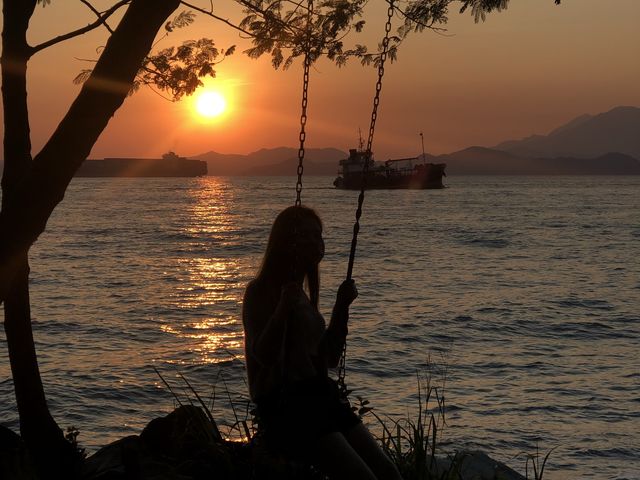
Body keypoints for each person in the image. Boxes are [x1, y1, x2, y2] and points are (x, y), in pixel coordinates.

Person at [242, 205, 402, 480]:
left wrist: (341, 308)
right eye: (305, 236)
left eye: (318, 236)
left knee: (389, 472)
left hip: (321, 397)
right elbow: (263, 356)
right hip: (288, 408)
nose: (316, 243)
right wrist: (281, 310)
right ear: (286, 242)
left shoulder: (303, 296)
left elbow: (328, 359)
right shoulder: (260, 291)